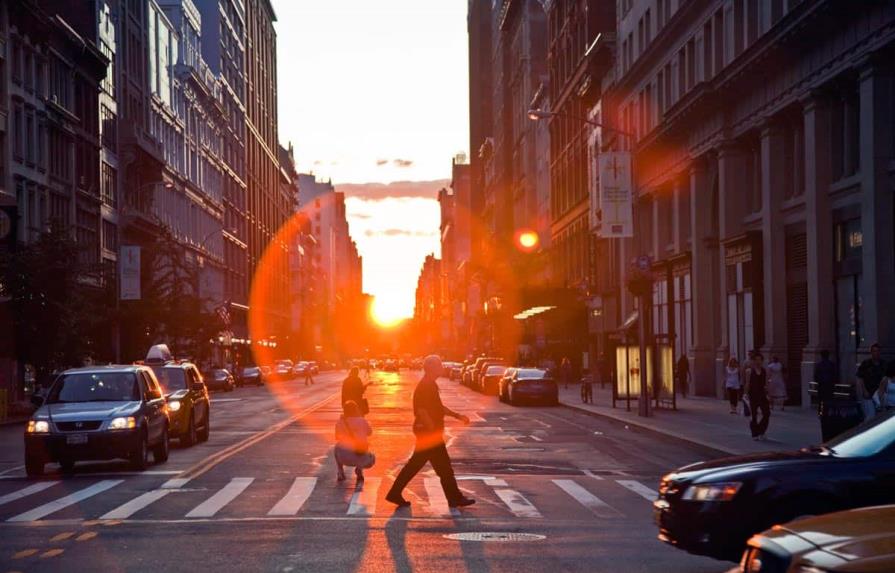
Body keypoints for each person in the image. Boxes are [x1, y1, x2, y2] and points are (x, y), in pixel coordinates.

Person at [385, 355, 475, 509]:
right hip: (429, 434)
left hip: (428, 433)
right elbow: (421, 409)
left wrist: (457, 416)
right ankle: (455, 498)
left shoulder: (429, 384)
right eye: (439, 365)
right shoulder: (426, 385)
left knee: (425, 466)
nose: (442, 368)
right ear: (432, 368)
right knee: (443, 467)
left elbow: (438, 407)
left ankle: (395, 493)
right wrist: (431, 427)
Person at [334, 401, 375, 482]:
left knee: (337, 447)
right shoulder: (362, 420)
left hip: (344, 458)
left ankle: (340, 471)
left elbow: (337, 436)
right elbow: (370, 432)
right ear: (356, 410)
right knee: (368, 450)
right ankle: (359, 469)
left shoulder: (340, 422)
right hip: (363, 459)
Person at [744, 352, 770, 441]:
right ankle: (755, 434)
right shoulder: (749, 371)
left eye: (760, 360)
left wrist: (768, 394)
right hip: (753, 395)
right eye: (756, 360)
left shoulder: (764, 371)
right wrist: (745, 394)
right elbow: (747, 384)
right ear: (753, 361)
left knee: (767, 413)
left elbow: (765, 384)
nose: (758, 362)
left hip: (762, 395)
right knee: (754, 415)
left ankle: (761, 430)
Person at [856, 343, 886, 421]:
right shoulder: (866, 364)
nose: (876, 353)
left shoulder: (884, 364)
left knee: (880, 417)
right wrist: (864, 391)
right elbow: (860, 378)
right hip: (868, 393)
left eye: (877, 351)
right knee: (870, 416)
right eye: (874, 351)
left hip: (880, 394)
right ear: (871, 352)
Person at [814, 350, 839, 441]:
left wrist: (820, 381)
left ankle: (821, 412)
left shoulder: (819, 365)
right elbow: (835, 375)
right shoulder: (832, 364)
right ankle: (828, 411)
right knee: (829, 399)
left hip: (822, 386)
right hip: (829, 386)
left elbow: (816, 376)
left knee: (821, 400)